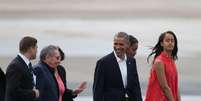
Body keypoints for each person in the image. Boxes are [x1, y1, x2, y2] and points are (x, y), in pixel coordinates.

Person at [93, 32, 142, 101]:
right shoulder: (103, 63)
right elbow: (97, 91)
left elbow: (136, 87)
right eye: (115, 44)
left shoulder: (131, 61)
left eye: (121, 44)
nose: (118, 47)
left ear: (127, 45)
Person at [145, 31, 181, 101]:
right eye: (167, 41)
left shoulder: (171, 60)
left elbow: (175, 84)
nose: (170, 43)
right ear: (162, 43)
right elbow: (164, 87)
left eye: (172, 41)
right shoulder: (159, 62)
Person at [5, 36, 39, 101]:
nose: (37, 51)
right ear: (30, 49)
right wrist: (34, 93)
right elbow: (13, 91)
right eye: (36, 48)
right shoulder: (15, 66)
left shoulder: (27, 64)